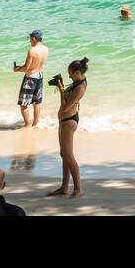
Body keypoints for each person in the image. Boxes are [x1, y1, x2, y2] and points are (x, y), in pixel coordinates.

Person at [47, 57, 89, 199]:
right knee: (64, 154)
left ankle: (78, 188)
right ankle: (64, 187)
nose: (69, 76)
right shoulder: (77, 82)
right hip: (64, 120)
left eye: (71, 73)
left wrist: (60, 89)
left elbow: (65, 107)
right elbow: (67, 100)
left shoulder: (80, 87)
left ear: (77, 72)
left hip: (69, 121)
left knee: (69, 156)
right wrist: (61, 86)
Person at [13, 29, 49, 128]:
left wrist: (17, 69)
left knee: (24, 103)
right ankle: (35, 124)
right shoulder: (46, 49)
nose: (29, 41)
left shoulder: (32, 51)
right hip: (40, 76)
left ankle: (27, 125)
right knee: (36, 103)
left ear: (34, 39)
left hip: (31, 78)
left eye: (30, 39)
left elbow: (27, 69)